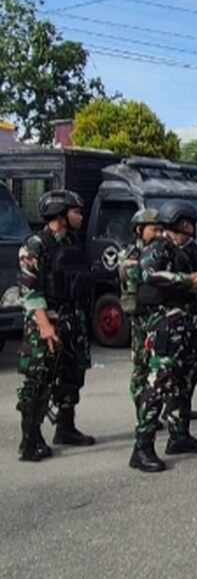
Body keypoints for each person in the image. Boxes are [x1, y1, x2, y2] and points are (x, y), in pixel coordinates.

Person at [130, 200, 197, 472]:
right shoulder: (157, 248)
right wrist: (188, 280)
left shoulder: (188, 250)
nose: (192, 229)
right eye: (188, 224)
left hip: (188, 327)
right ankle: (142, 448)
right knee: (158, 385)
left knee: (184, 383)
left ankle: (179, 436)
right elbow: (149, 274)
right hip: (165, 326)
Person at [16, 189, 94, 462]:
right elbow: (29, 291)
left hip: (72, 317)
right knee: (39, 380)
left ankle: (65, 427)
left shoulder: (71, 242)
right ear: (60, 215)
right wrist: (45, 326)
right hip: (46, 320)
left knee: (73, 374)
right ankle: (30, 439)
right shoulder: (35, 245)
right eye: (76, 212)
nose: (81, 216)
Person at [119, 208, 161, 427]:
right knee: (141, 366)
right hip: (141, 318)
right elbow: (139, 279)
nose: (159, 234)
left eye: (161, 230)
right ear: (139, 230)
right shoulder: (132, 255)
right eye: (154, 229)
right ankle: (142, 411)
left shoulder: (159, 251)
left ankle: (152, 410)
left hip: (158, 316)